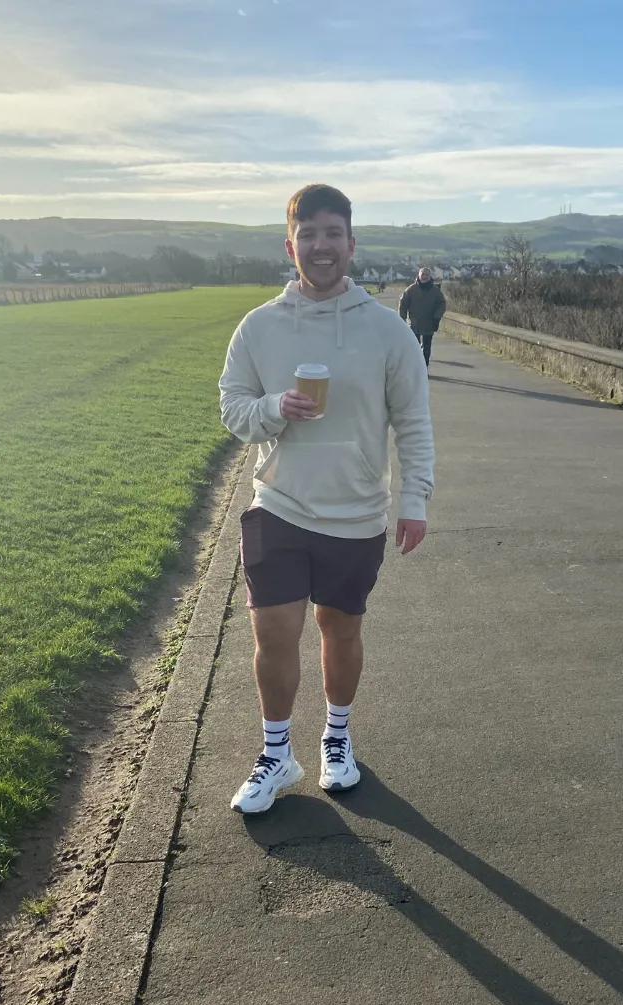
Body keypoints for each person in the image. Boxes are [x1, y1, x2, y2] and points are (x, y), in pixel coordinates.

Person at [219, 183, 435, 814]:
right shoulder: (259, 327)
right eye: (307, 234)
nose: (321, 245)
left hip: (356, 509)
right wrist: (272, 409)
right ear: (291, 246)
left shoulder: (387, 330)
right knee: (274, 632)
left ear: (351, 244)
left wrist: (414, 499)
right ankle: (276, 753)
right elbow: (233, 408)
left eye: (332, 233)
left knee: (339, 631)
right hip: (279, 502)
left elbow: (414, 422)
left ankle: (336, 739)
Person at [399, 267, 447, 365]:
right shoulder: (411, 289)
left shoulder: (435, 291)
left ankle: (424, 367)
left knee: (427, 348)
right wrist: (402, 319)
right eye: (422, 274)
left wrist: (436, 317)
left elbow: (441, 304)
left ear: (430, 276)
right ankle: (415, 366)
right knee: (414, 347)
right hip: (414, 323)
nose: (424, 276)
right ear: (419, 275)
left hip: (429, 323)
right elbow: (403, 303)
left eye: (426, 275)